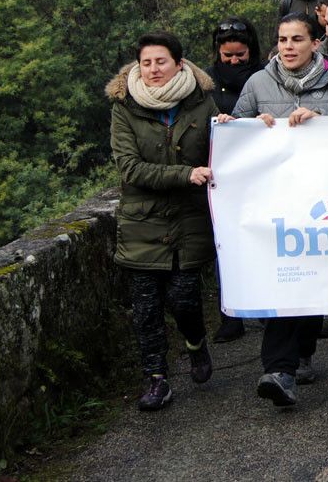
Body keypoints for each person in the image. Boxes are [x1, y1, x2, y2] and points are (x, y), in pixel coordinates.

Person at [219, 13, 328, 408]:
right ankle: (279, 369)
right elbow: (236, 131)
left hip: (322, 201)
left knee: (311, 279)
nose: (288, 46)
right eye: (282, 39)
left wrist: (322, 122)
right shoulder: (258, 82)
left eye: (297, 39)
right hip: (273, 201)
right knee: (282, 279)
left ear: (315, 43)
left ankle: (303, 353)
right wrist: (241, 125)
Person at [107, 31, 218, 411]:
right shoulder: (124, 107)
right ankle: (156, 379)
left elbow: (220, 151)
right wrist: (183, 175)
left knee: (184, 298)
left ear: (179, 63)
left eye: (161, 61)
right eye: (146, 63)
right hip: (141, 222)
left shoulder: (202, 103)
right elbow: (130, 168)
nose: (153, 69)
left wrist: (233, 129)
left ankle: (195, 342)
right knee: (146, 309)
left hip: (189, 219)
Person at [205, 18, 264, 343]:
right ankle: (229, 313)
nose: (233, 61)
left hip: (260, 170)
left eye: (240, 55)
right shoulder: (207, 80)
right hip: (222, 174)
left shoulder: (265, 73)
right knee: (223, 244)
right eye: (227, 56)